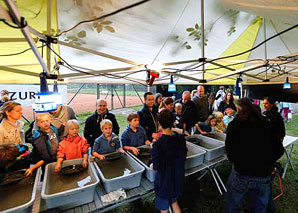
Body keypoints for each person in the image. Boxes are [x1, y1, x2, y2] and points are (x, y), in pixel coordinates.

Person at [225, 98, 284, 213]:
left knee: (233, 205)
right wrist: (268, 162)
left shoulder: (234, 125)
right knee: (260, 208)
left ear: (239, 110)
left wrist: (237, 161)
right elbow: (278, 150)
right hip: (262, 174)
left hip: (241, 172)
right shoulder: (267, 124)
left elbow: (229, 151)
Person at [151, 109, 187, 213]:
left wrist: (152, 163)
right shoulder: (181, 139)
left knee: (164, 208)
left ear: (159, 124)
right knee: (174, 202)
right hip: (177, 178)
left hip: (164, 183)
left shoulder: (158, 144)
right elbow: (183, 157)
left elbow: (156, 166)